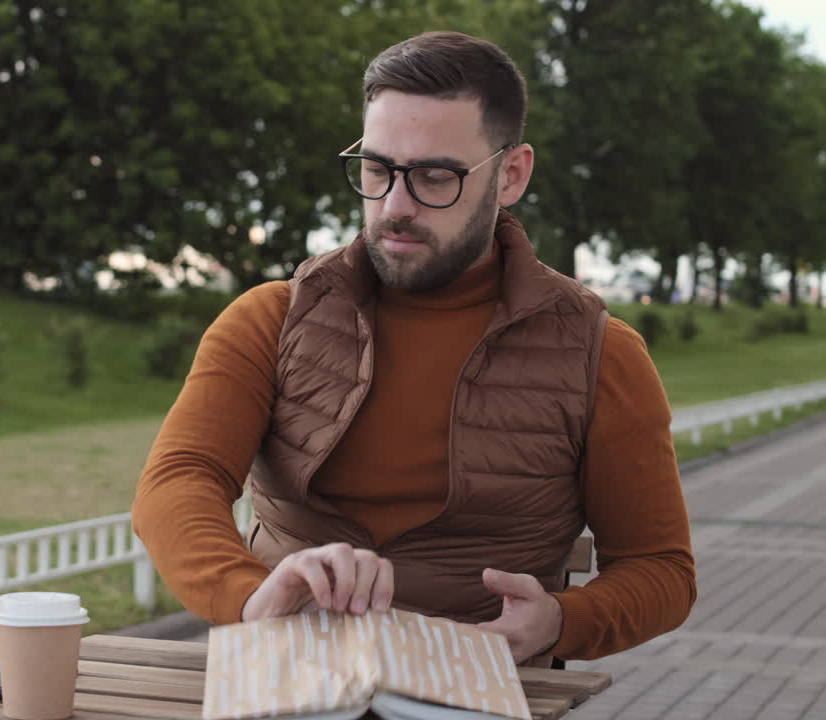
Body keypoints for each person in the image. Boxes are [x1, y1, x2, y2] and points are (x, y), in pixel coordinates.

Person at [131, 30, 695, 665]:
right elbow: (178, 482)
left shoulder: (600, 354)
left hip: (481, 690)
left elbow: (661, 570)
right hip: (289, 677)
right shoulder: (269, 321)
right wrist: (253, 597)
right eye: (377, 169)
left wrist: (560, 622)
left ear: (511, 175)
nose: (396, 206)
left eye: (435, 177)